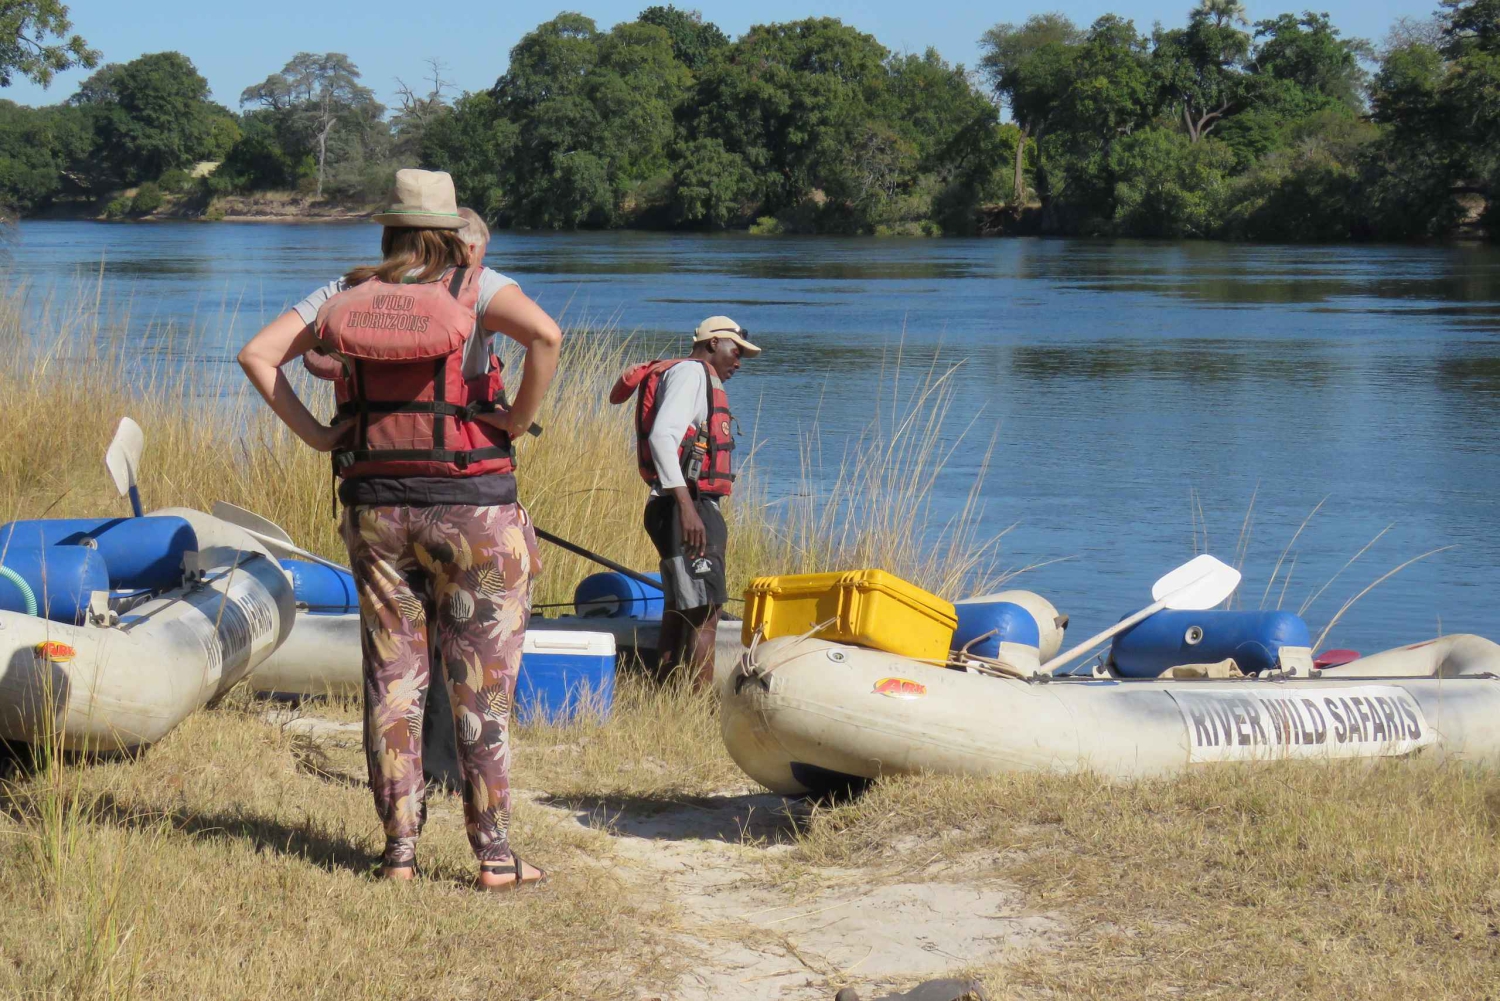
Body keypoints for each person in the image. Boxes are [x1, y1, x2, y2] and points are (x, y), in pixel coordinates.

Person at [238, 169, 561, 890]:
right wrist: (509, 422)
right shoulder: (477, 286)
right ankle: (496, 854)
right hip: (475, 509)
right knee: (483, 688)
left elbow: (257, 354)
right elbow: (546, 335)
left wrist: (323, 437)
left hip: (375, 509)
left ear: (386, 229)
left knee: (393, 679)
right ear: (451, 232)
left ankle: (400, 853)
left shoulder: (341, 295)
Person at [610, 316, 760, 688]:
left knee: (681, 606)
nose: (738, 362)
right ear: (712, 344)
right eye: (735, 352)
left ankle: (665, 693)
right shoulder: (693, 374)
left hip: (676, 504)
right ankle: (697, 706)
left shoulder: (687, 375)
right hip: (687, 506)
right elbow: (663, 436)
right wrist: (688, 507)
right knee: (706, 612)